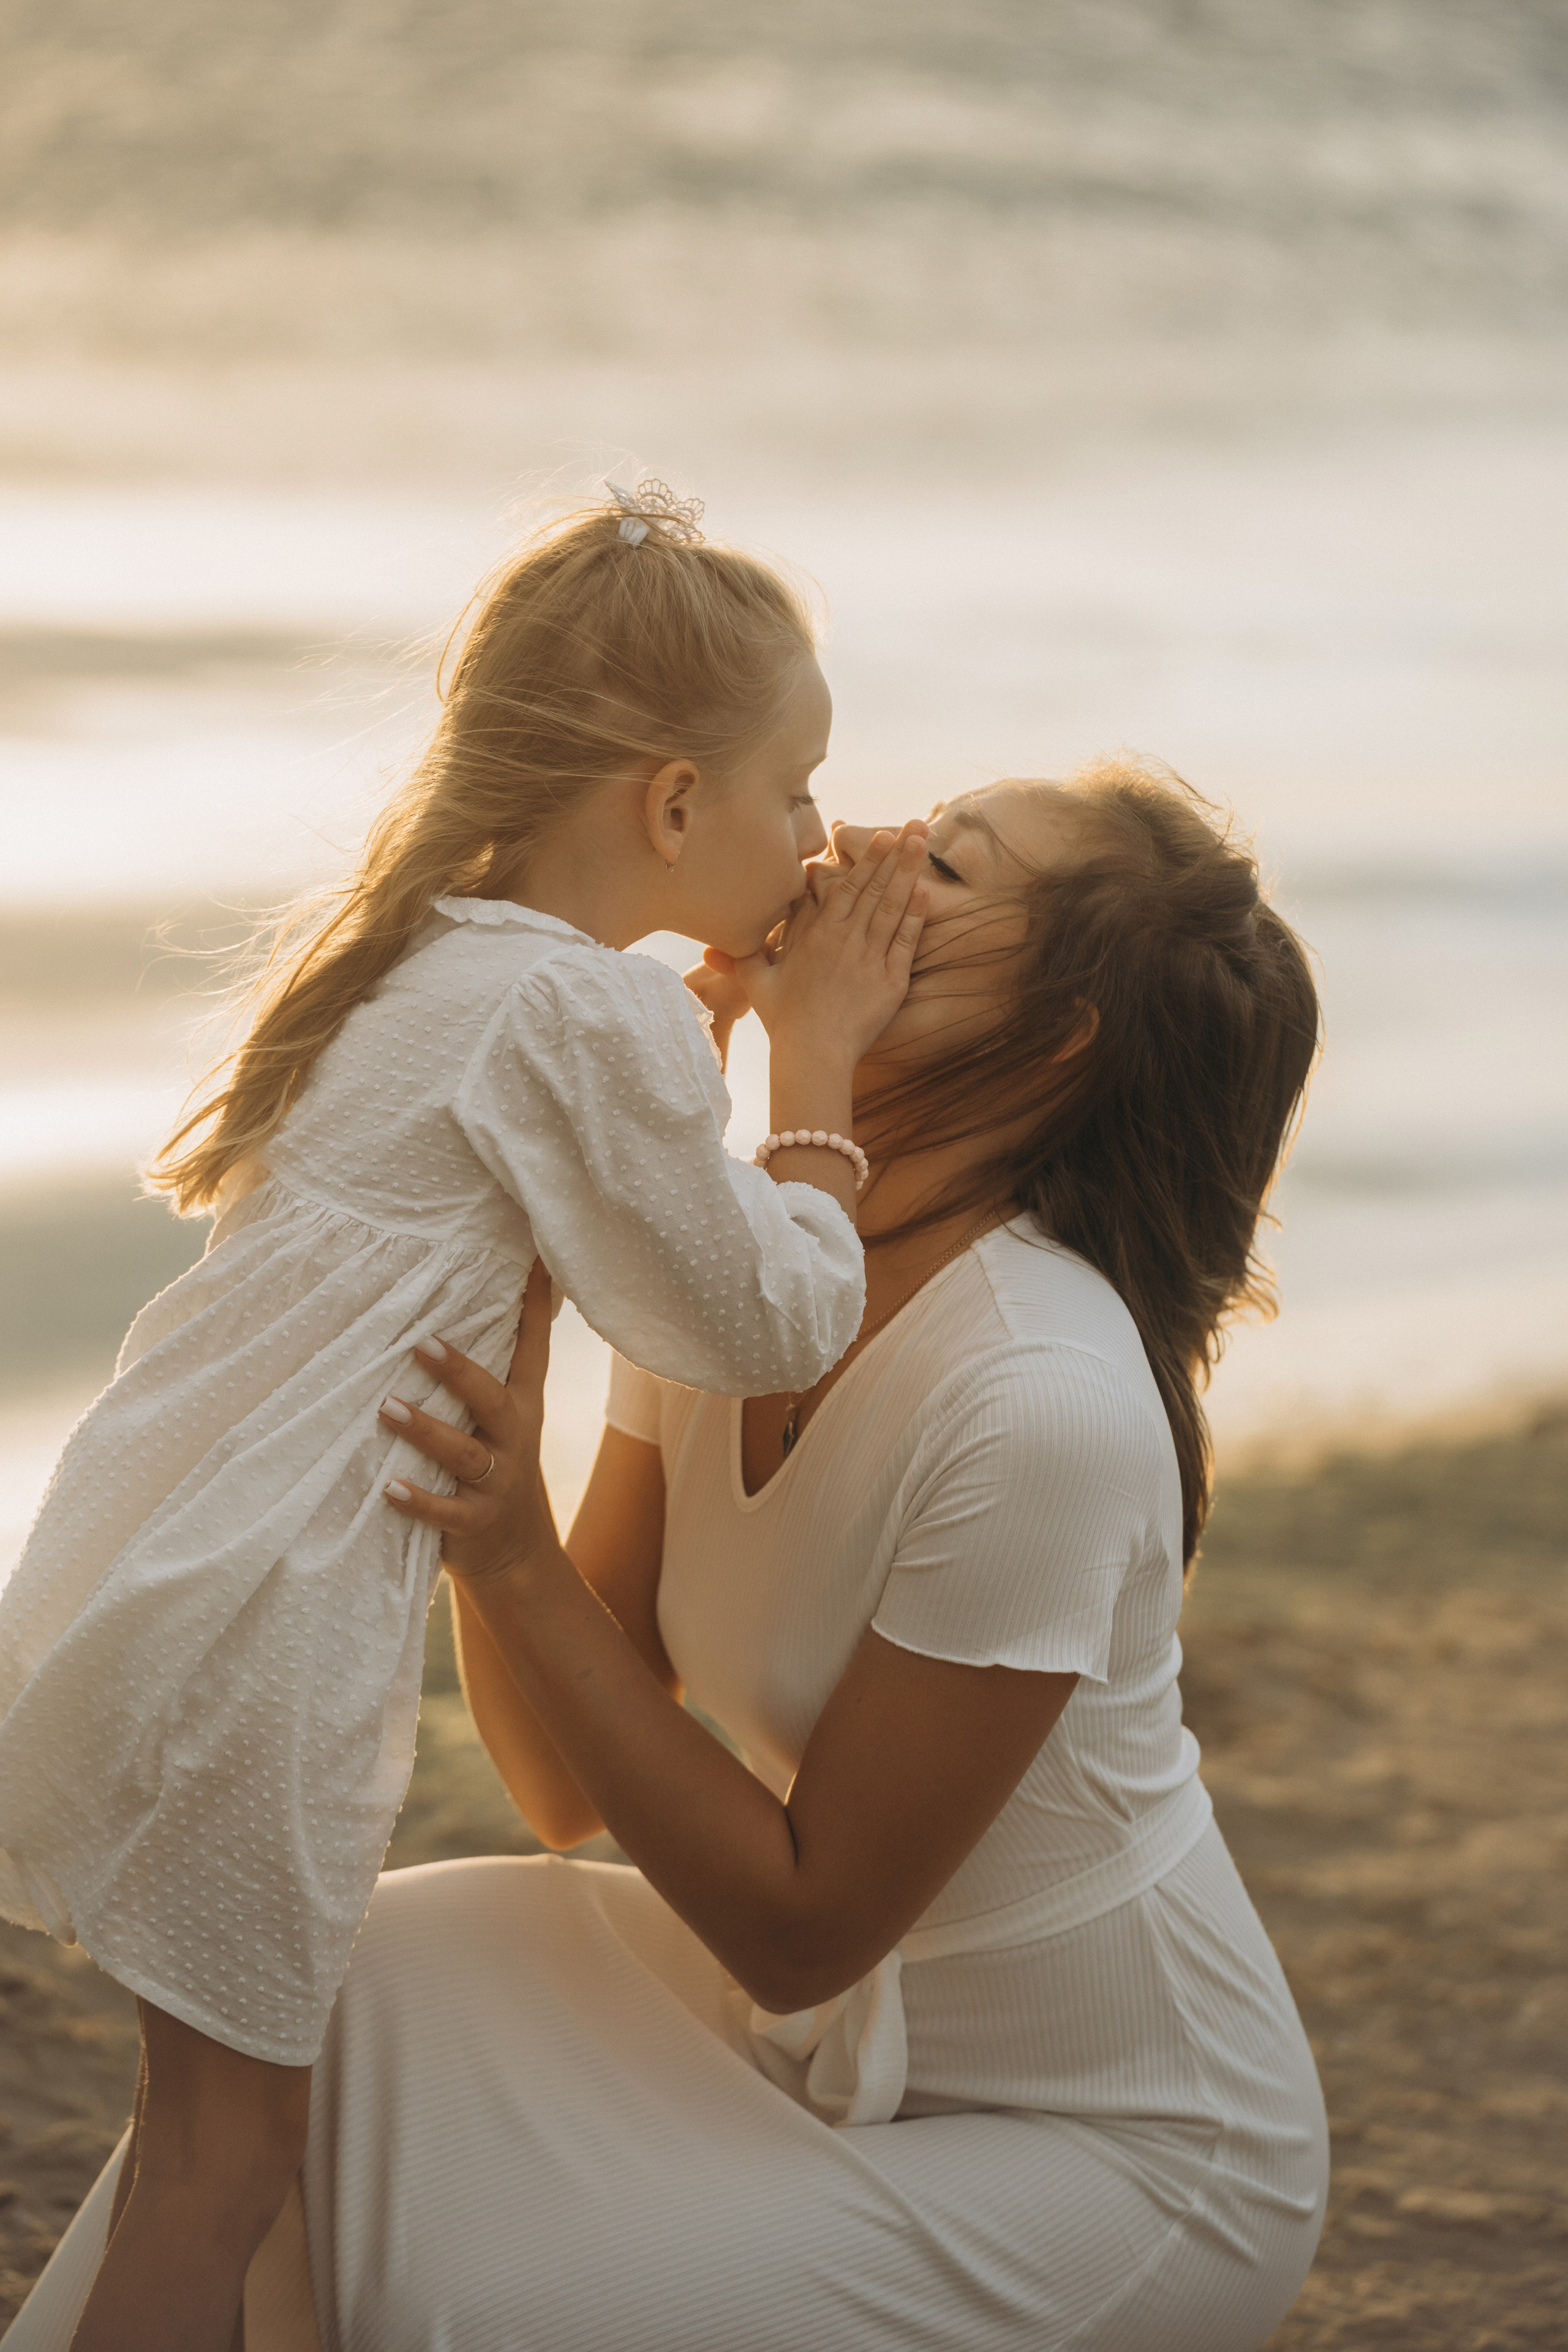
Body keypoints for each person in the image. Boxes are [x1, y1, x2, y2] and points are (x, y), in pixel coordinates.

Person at [13, 760, 1329, 2352]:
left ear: (1055, 1041)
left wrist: (508, 1552)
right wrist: (539, 1332)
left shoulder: (1041, 1403)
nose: (867, 840)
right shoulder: (744, 1264)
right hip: (812, 2044)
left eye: (953, 868)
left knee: (490, 2305)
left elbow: (800, 1922)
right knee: (329, 1992)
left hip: (1116, 2151)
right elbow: (560, 1788)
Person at [0, 483, 931, 2352]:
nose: (818, 835)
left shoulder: (445, 963)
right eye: (797, 789)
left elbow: (610, 1187)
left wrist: (710, 1034)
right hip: (271, 1628)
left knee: (205, 2138)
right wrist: (814, 1064)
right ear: (677, 808)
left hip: (175, 1556)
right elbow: (766, 1312)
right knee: (221, 2162)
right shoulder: (582, 1027)